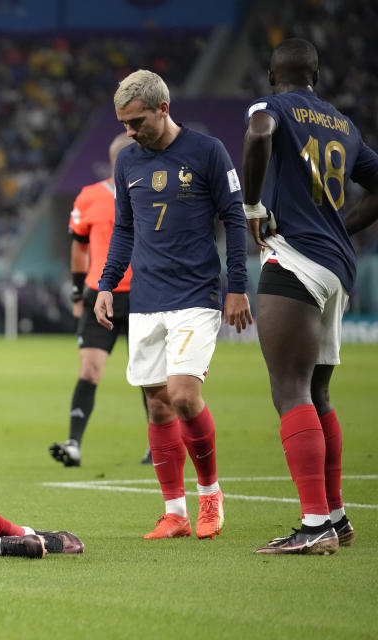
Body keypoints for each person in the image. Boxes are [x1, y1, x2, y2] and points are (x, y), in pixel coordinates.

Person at [95, 70, 253, 541]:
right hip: (146, 296)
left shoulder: (208, 152)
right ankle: (174, 513)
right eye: (123, 122)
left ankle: (210, 495)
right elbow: (124, 228)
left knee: (184, 395)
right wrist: (107, 284)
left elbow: (235, 219)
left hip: (196, 293)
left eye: (136, 120)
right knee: (158, 405)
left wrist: (237, 287)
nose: (129, 131)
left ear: (163, 108)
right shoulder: (127, 161)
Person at [242, 38, 378, 555]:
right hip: (338, 267)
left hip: (294, 257)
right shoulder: (344, 125)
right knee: (318, 394)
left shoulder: (269, 107)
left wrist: (252, 206)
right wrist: (342, 227)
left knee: (289, 390)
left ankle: (315, 523)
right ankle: (337, 517)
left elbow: (258, 134)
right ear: (316, 76)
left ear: (274, 76)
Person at [50, 133, 151, 467]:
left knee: (148, 374)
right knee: (90, 369)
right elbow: (79, 247)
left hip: (145, 294)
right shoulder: (90, 197)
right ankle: (74, 444)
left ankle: (158, 446)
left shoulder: (153, 193)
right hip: (100, 296)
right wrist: (79, 291)